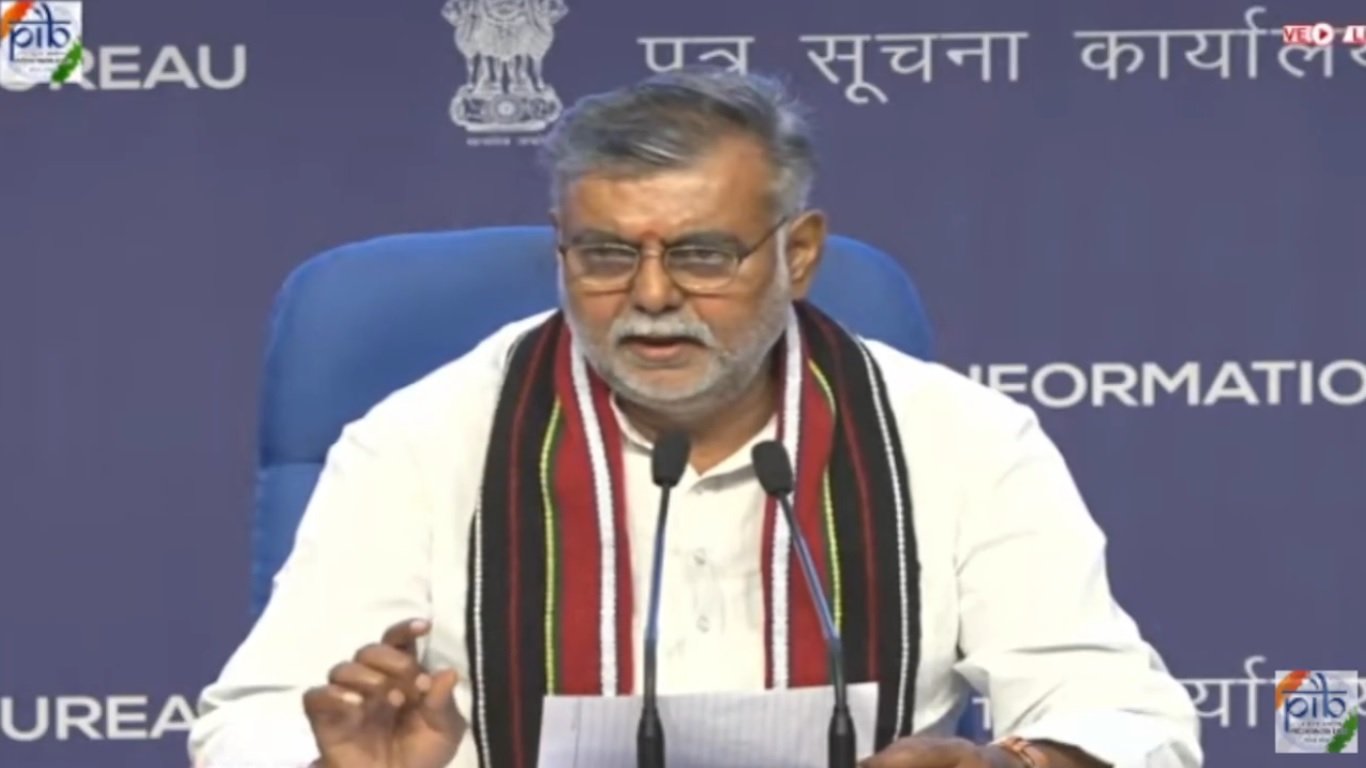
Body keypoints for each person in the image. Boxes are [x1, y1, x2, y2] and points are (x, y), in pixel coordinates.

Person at [189, 67, 1202, 768]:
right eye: (605, 254)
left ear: (798, 253)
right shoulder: (422, 441)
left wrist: (1018, 764)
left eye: (702, 254)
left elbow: (1125, 714)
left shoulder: (960, 439)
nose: (652, 295)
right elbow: (252, 724)